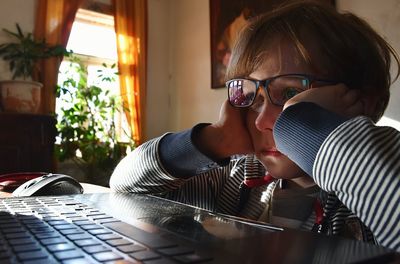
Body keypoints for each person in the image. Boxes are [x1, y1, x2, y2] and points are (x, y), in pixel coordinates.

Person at [110, 0, 400, 252]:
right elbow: (125, 185)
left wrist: (301, 129)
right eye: (251, 98)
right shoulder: (237, 180)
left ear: (362, 101)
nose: (261, 121)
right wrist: (213, 140)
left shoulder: (363, 196)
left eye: (289, 94)